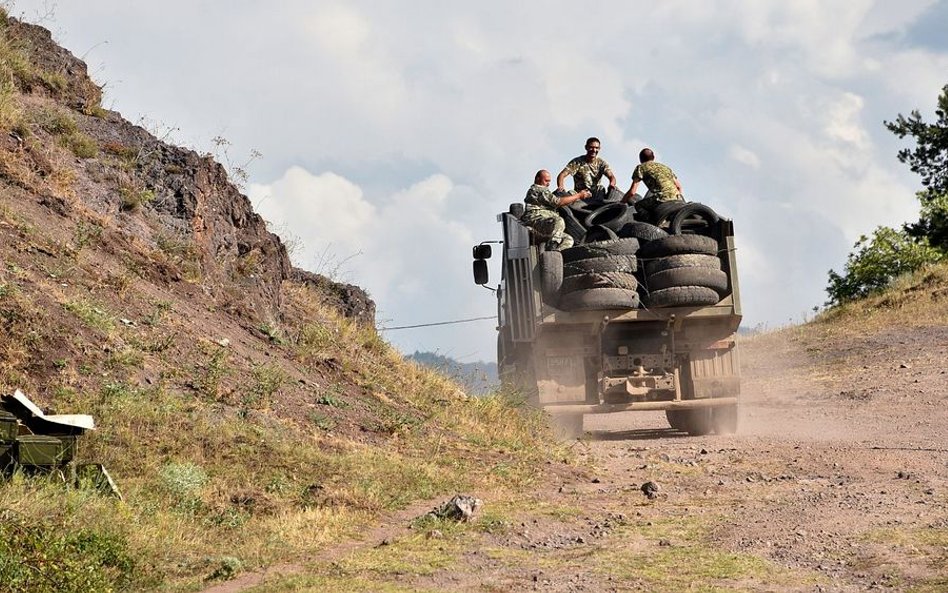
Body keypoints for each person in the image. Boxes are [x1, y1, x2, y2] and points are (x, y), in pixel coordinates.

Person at [522, 169, 591, 250]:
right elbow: (557, 202)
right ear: (537, 179)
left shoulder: (545, 192)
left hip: (545, 223)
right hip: (535, 221)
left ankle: (554, 255)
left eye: (549, 181)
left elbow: (554, 200)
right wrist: (579, 195)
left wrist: (574, 195)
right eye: (546, 181)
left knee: (568, 239)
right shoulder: (538, 189)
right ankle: (552, 246)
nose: (548, 184)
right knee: (559, 221)